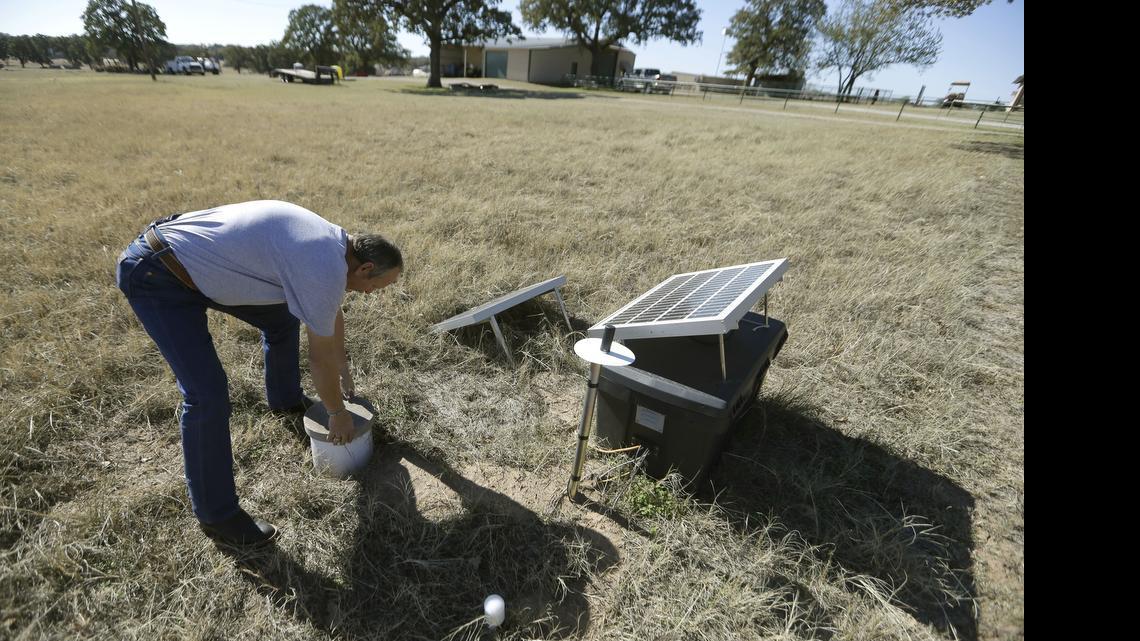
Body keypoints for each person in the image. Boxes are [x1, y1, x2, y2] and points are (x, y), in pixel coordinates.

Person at [115, 200, 403, 546]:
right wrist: (337, 413)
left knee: (280, 318)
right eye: (378, 286)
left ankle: (284, 400)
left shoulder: (335, 246)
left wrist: (342, 365)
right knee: (207, 395)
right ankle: (217, 516)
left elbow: (328, 312)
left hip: (193, 260)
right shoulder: (322, 267)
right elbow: (319, 358)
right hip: (158, 275)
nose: (372, 294)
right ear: (365, 268)